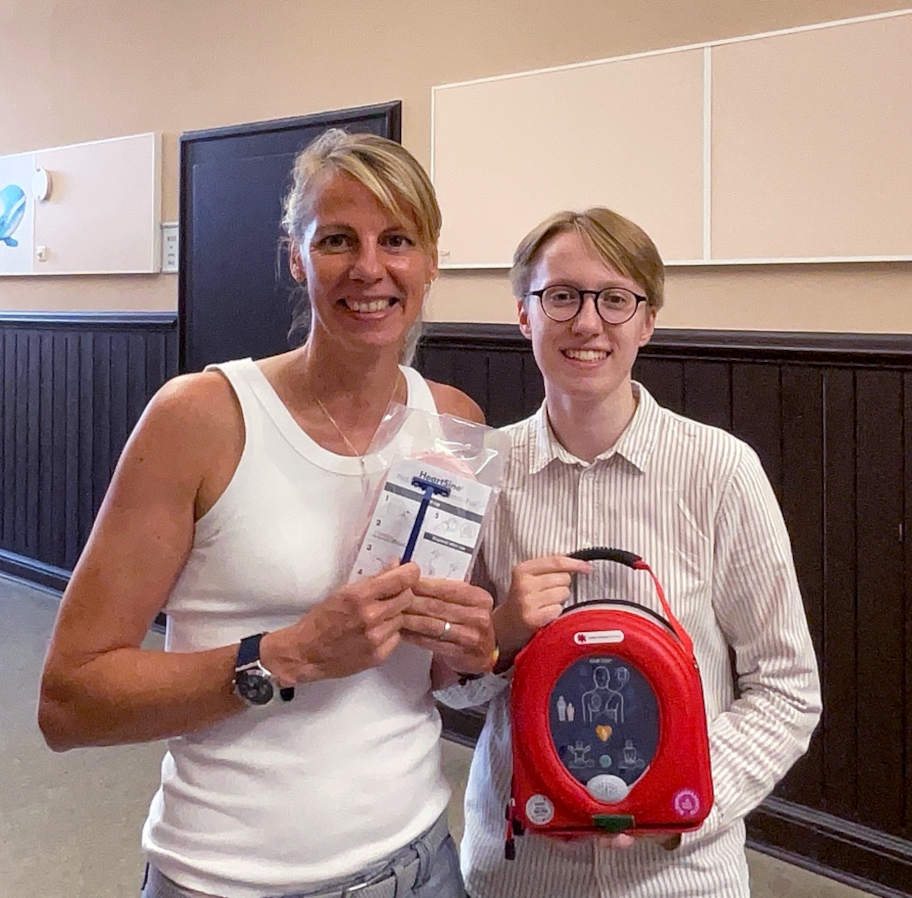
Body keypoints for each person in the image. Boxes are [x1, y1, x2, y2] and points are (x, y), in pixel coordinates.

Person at [38, 129, 497, 898]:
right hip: (226, 878)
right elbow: (69, 701)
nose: (369, 268)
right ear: (295, 256)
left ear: (430, 262)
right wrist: (289, 654)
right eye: (337, 239)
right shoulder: (201, 418)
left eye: (397, 240)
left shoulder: (453, 423)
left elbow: (437, 674)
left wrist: (468, 651)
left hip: (420, 862)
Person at [438, 207, 822, 897]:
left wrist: (674, 795)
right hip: (521, 871)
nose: (588, 323)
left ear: (647, 322)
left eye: (615, 299)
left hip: (680, 876)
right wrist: (501, 634)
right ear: (524, 315)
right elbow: (446, 684)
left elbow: (786, 686)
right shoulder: (482, 474)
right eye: (561, 296)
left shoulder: (720, 471)